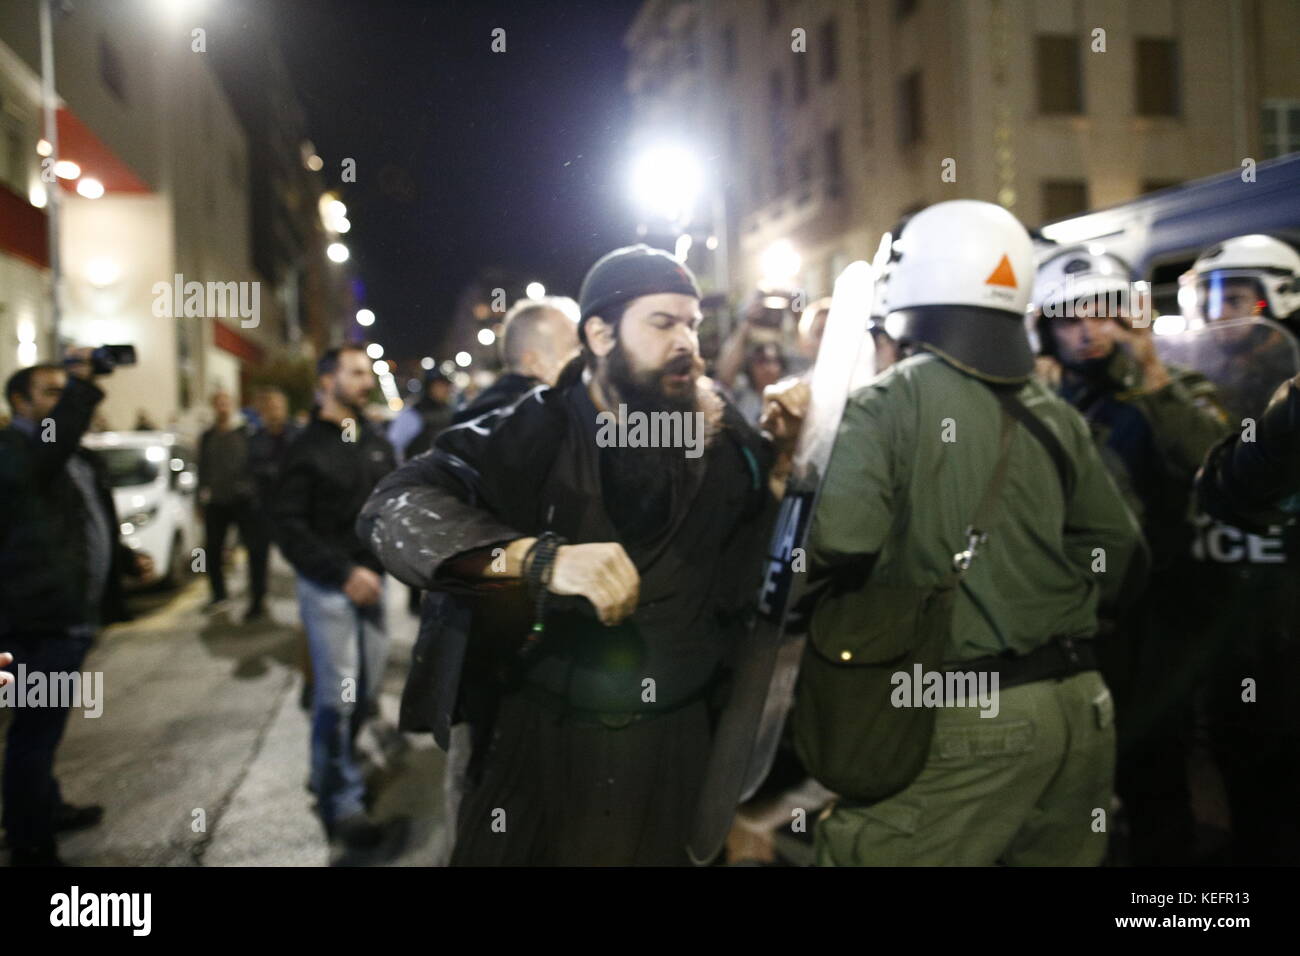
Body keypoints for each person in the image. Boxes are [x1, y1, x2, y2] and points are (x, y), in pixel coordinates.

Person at [358, 244, 805, 865]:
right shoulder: (534, 430)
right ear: (599, 333)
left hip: (680, 749)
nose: (687, 343)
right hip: (549, 749)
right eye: (662, 322)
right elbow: (394, 508)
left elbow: (761, 543)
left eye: (692, 323)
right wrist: (532, 559)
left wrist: (784, 454)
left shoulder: (723, 430)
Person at [804, 200, 1147, 866]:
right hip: (1081, 710)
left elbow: (840, 541)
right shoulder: (1054, 410)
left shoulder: (888, 401)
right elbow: (1121, 551)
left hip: (967, 714)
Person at [1030, 246, 1231, 864]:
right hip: (1069, 624)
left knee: (1155, 785)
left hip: (1153, 623)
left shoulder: (1170, 388)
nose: (1088, 329)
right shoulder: (1046, 399)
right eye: (1069, 317)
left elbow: (1219, 462)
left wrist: (1153, 379)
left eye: (1102, 312)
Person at [0, 352, 152, 865]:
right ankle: (28, 840)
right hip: (37, 618)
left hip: (71, 614)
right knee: (34, 730)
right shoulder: (13, 449)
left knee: (46, 727)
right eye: (50, 392)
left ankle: (45, 806)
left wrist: (126, 559)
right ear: (19, 403)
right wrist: (82, 387)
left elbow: (81, 522)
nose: (62, 401)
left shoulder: (68, 457)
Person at [1177, 234, 1300, 865]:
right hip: (1230, 613)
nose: (1217, 312)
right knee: (1241, 769)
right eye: (1207, 297)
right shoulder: (1204, 385)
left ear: (1279, 294)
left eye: (1233, 295)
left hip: (1284, 616)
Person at [273, 346, 397, 855]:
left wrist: (377, 567)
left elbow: (391, 506)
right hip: (329, 587)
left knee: (363, 691)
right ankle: (340, 802)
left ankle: (327, 769)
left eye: (368, 373)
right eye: (355, 373)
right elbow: (288, 526)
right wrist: (344, 573)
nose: (365, 382)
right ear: (327, 381)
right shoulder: (304, 447)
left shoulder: (373, 440)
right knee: (337, 696)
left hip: (371, 582)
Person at [451, 296, 580, 425]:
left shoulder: (478, 422)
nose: (582, 357)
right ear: (534, 362)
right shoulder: (541, 426)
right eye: (574, 347)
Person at [197, 391, 263, 620]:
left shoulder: (246, 433)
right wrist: (199, 500)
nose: (222, 407)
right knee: (211, 550)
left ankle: (257, 599)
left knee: (255, 550)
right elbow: (202, 469)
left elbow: (257, 465)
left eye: (226, 403)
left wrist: (252, 490)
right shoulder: (207, 436)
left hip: (244, 502)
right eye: (218, 403)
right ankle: (218, 594)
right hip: (217, 501)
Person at [244, 387, 300, 623]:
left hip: (293, 508)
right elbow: (249, 470)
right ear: (264, 412)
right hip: (263, 508)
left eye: (278, 407)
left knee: (301, 556)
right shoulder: (255, 439)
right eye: (270, 408)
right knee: (257, 556)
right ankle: (257, 600)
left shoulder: (298, 436)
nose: (275, 412)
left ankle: (307, 601)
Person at [389, 369, 455, 465]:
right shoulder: (413, 414)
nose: (446, 389)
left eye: (447, 385)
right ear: (429, 387)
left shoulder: (450, 411)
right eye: (441, 385)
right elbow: (395, 446)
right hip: (418, 474)